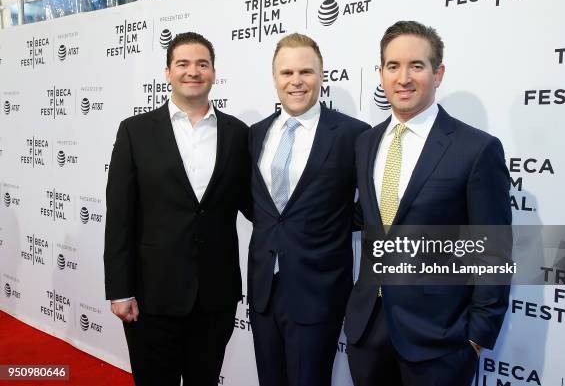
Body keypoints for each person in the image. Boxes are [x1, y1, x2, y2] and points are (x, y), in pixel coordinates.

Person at [344, 20, 512, 386]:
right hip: (368, 331)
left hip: (441, 340)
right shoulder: (365, 143)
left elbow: (494, 250)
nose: (403, 77)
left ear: (438, 74)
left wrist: (477, 336)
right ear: (381, 73)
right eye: (393, 66)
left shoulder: (477, 149)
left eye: (416, 66)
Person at [103, 32, 250, 386]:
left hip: (215, 295)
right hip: (151, 295)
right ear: (167, 73)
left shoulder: (238, 133)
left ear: (214, 73)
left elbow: (254, 203)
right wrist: (119, 289)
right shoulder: (134, 132)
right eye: (182, 64)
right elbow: (120, 216)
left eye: (202, 64)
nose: (193, 71)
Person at [248, 33, 369, 386]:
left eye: (306, 71)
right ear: (274, 78)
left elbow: (375, 207)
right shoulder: (255, 135)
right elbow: (257, 204)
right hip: (263, 290)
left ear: (321, 75)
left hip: (319, 292)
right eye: (286, 73)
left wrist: (329, 226)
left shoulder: (353, 135)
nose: (296, 81)